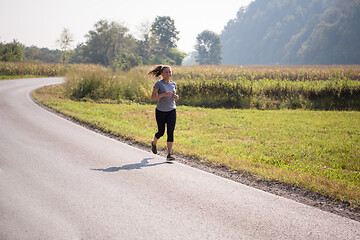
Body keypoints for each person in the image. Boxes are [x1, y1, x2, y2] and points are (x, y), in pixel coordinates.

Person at [148, 65, 179, 161]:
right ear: (162, 73)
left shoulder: (173, 84)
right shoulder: (158, 84)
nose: (168, 74)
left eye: (170, 72)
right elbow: (153, 97)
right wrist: (164, 94)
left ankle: (169, 154)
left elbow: (173, 95)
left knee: (170, 132)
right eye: (166, 72)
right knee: (161, 132)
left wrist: (175, 97)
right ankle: (154, 143)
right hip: (161, 111)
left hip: (172, 110)